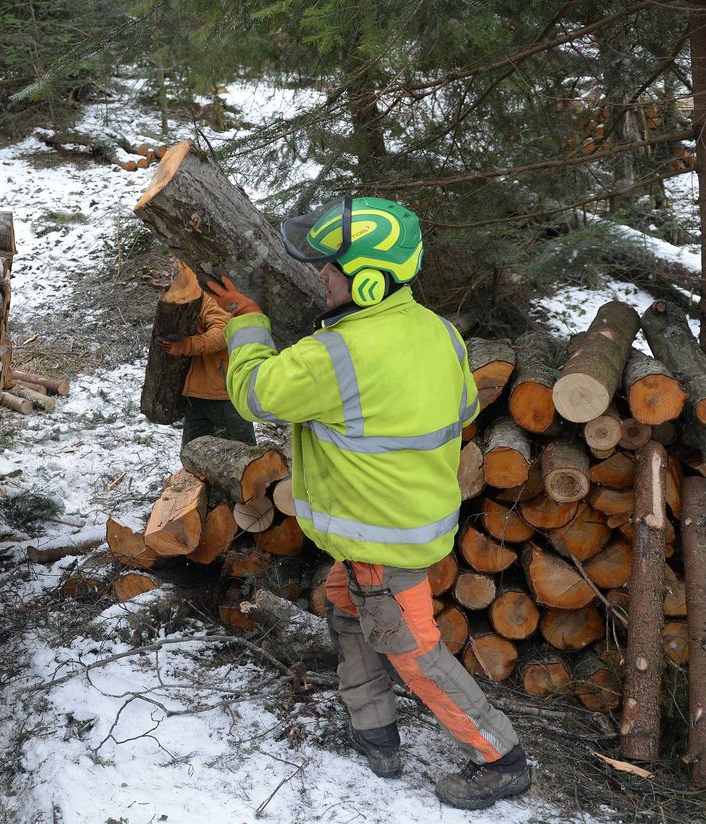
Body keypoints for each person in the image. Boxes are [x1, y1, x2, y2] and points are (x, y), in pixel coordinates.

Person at [202, 197, 530, 811]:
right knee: (346, 608)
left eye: (330, 268)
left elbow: (254, 393)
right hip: (405, 526)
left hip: (382, 540)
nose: (320, 277)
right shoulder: (438, 331)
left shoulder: (337, 355)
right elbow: (461, 411)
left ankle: (501, 757)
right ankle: (374, 733)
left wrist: (247, 321)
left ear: (369, 281)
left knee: (414, 652)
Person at [160, 262, 256, 450]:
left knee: (245, 457)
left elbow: (223, 333)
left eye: (178, 262)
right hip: (199, 394)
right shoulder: (187, 290)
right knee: (191, 455)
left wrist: (187, 345)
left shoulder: (211, 294)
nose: (173, 265)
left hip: (224, 395)